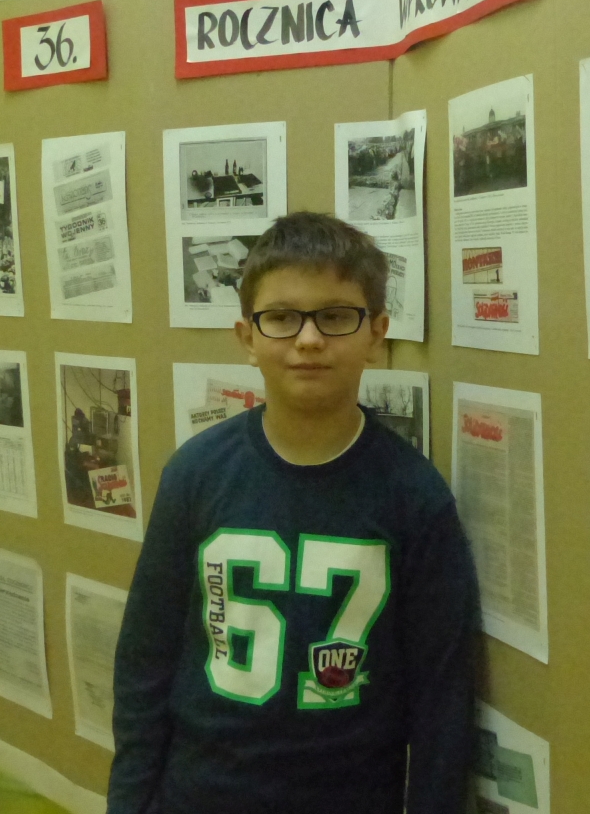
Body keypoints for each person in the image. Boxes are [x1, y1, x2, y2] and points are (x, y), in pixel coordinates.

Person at [108, 212, 480, 814]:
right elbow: (144, 663)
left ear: (376, 334)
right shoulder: (195, 475)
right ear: (247, 337)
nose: (308, 340)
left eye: (335, 316)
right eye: (281, 318)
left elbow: (442, 703)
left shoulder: (415, 497)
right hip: (199, 795)